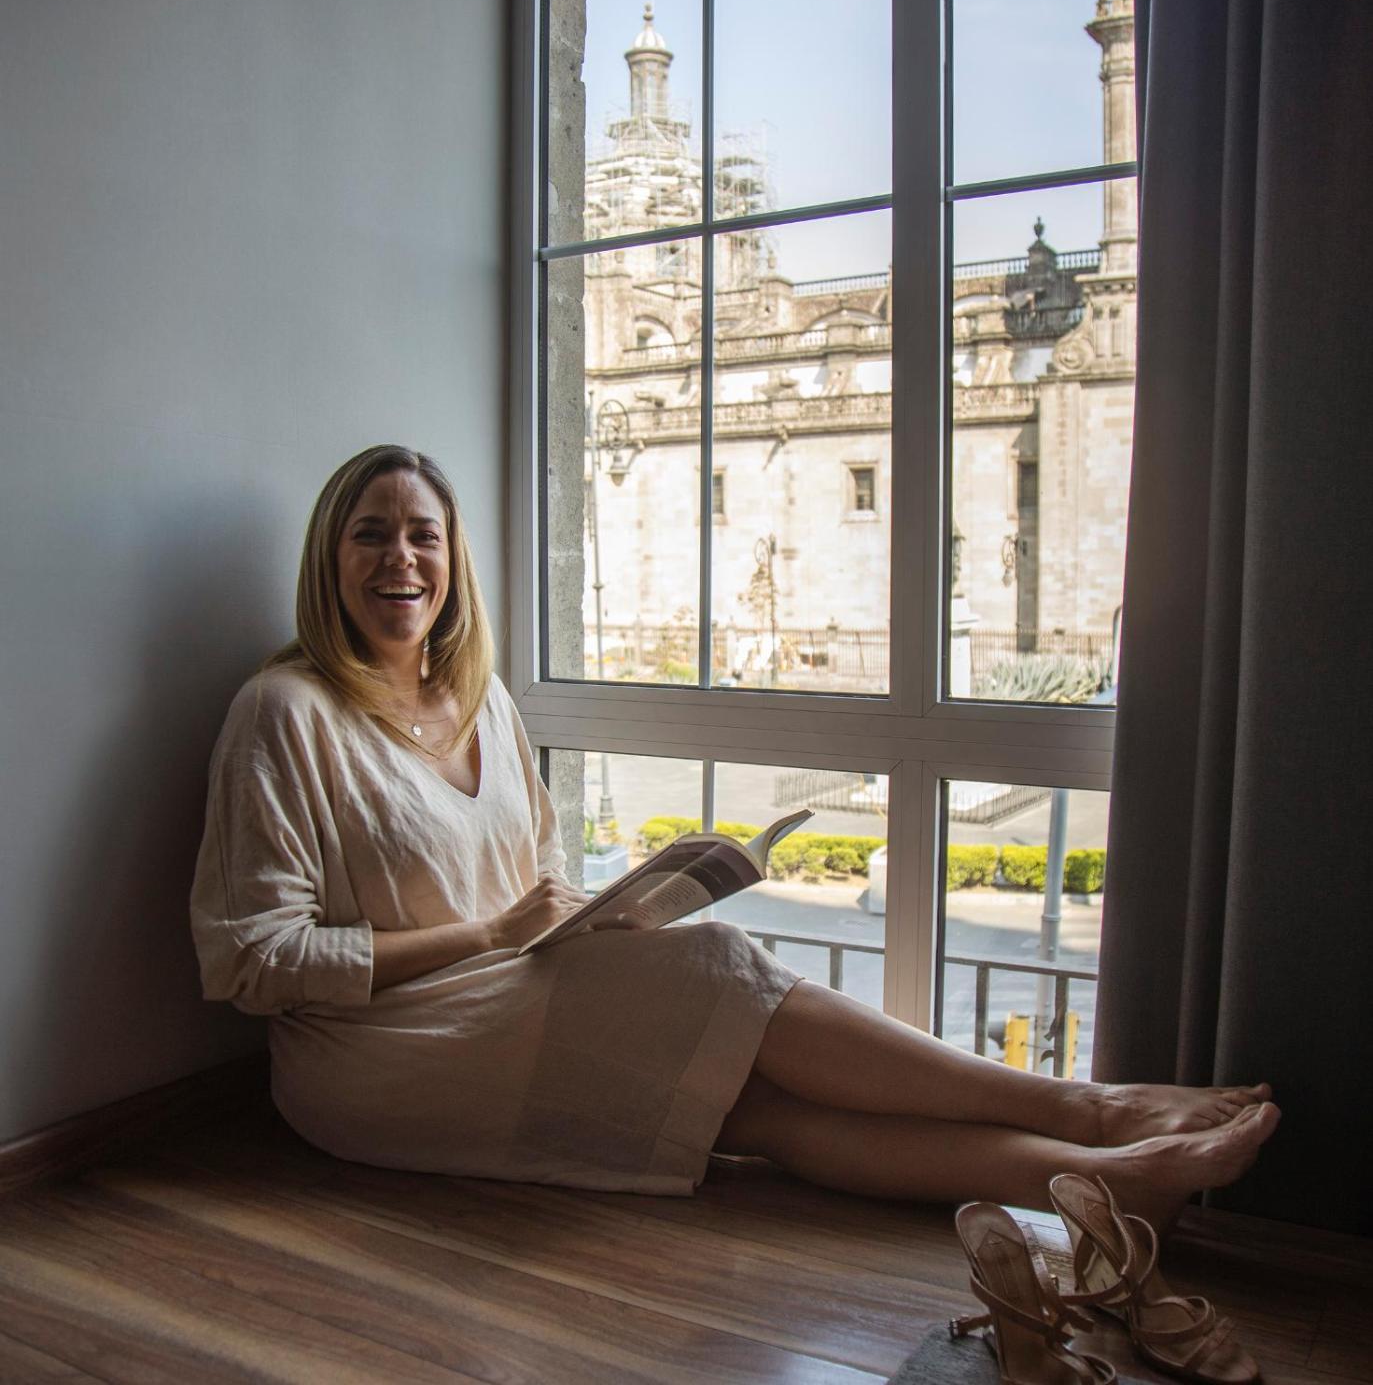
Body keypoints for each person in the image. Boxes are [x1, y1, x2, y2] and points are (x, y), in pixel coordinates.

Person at [190, 444, 1279, 1230]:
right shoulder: (283, 713)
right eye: (370, 533)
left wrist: (590, 916)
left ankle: (1094, 1182)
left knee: (747, 1104)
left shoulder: (484, 699)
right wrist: (484, 936)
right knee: (717, 968)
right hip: (380, 1052)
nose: (401, 558)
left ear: (451, 559)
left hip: (507, 992)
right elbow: (249, 962)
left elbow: (535, 877)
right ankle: (1093, 1108)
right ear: (329, 557)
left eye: (422, 534)